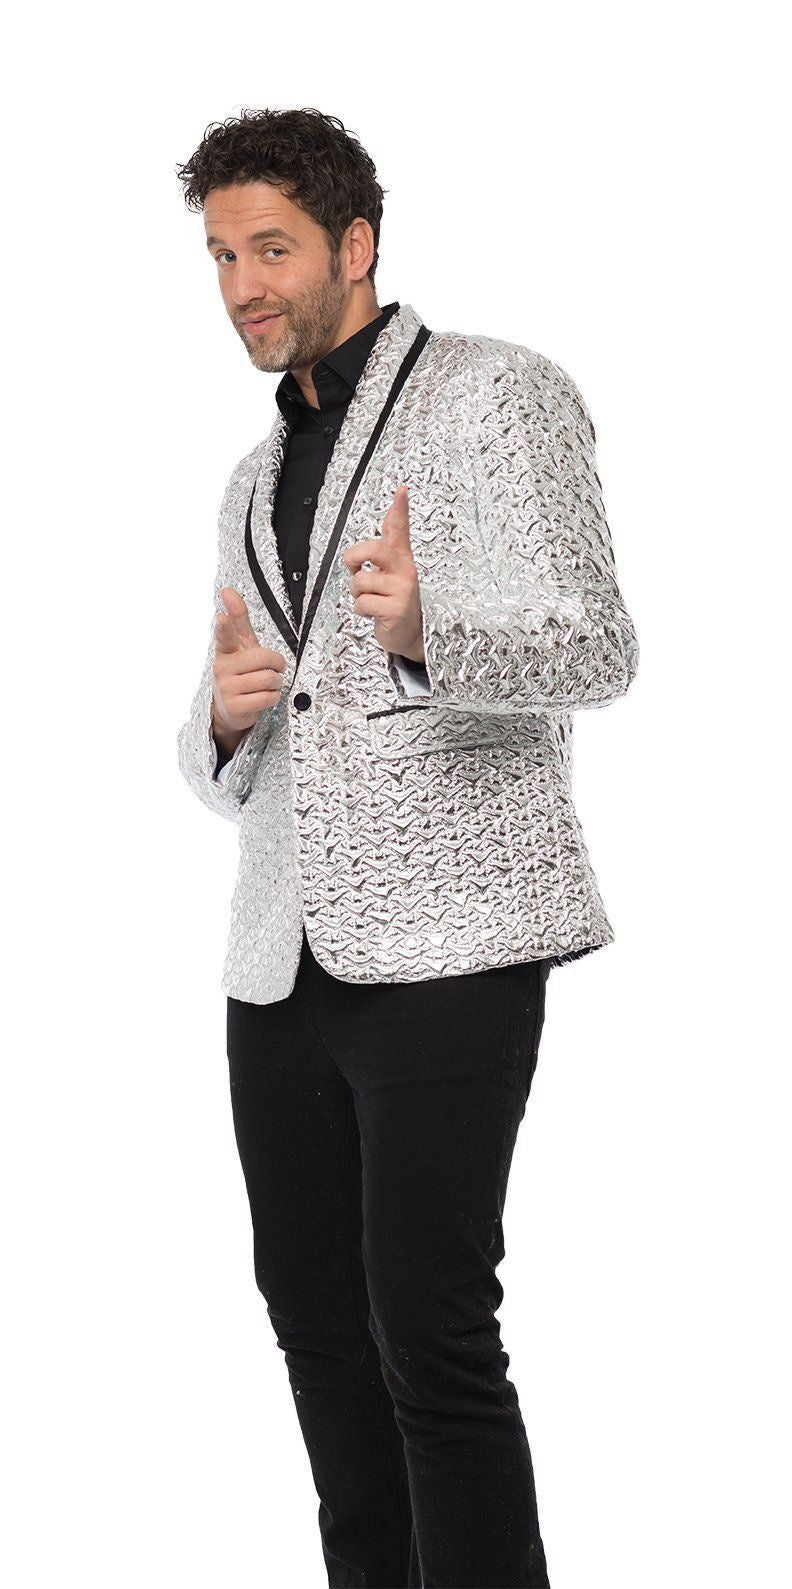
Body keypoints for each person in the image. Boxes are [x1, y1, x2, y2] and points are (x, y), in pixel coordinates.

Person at [176, 105, 639, 1589]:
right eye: (221, 256)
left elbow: (601, 645)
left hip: (456, 938)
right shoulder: (253, 476)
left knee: (429, 1332)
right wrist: (224, 722)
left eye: (271, 249)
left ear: (356, 243)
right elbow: (258, 748)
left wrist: (438, 632)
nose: (243, 285)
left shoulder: (499, 394)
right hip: (281, 961)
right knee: (314, 1327)